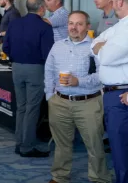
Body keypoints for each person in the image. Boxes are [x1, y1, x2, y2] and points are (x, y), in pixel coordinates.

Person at [44, 11, 109, 183]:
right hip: (59, 102)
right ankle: (59, 176)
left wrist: (78, 81)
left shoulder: (96, 47)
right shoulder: (57, 46)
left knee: (94, 145)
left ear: (88, 27)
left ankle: (99, 178)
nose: (74, 27)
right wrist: (50, 96)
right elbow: (49, 72)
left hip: (88, 102)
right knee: (62, 144)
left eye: (79, 24)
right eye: (71, 23)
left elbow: (103, 75)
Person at [3, 0, 54, 158]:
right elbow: (48, 53)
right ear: (41, 8)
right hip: (35, 69)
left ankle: (20, 142)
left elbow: (6, 46)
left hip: (17, 67)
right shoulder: (44, 27)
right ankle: (27, 145)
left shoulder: (15, 23)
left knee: (22, 107)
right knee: (32, 108)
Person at [91, 0, 128, 183]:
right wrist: (101, 47)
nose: (111, 3)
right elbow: (93, 45)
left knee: (122, 151)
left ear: (119, 2)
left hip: (122, 95)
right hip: (114, 95)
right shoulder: (119, 25)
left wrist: (101, 48)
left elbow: (106, 56)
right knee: (119, 151)